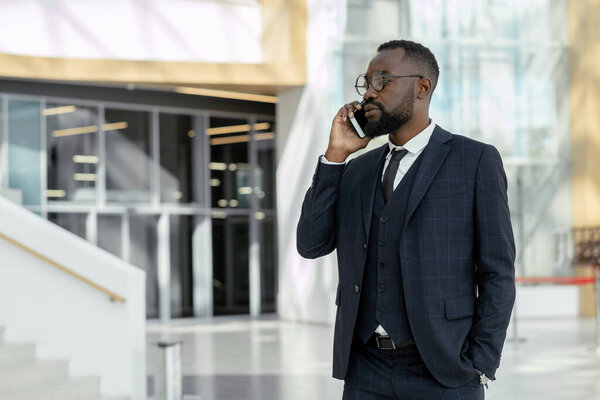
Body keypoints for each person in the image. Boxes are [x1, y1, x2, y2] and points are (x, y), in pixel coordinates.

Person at [296, 39, 515, 400]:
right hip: (365, 368)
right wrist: (335, 156)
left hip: (443, 370)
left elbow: (498, 272)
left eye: (382, 80)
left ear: (422, 87)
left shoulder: (474, 161)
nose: (369, 93)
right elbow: (310, 244)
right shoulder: (357, 169)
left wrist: (481, 362)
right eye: (366, 82)